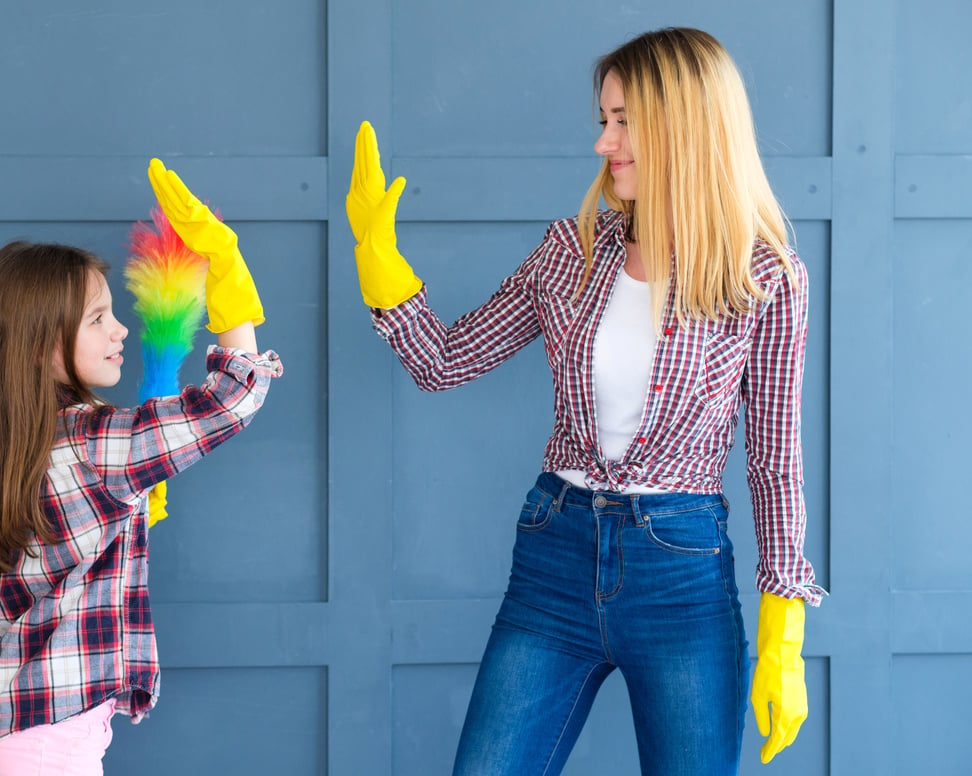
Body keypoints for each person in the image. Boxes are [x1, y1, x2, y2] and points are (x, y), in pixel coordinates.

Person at [346, 27, 823, 775]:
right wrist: (380, 265)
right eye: (603, 121)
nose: (605, 143)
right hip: (554, 557)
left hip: (681, 577)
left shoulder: (764, 276)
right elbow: (444, 361)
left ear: (685, 124)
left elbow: (774, 460)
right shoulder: (570, 249)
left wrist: (785, 628)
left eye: (623, 121)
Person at [0, 159, 281, 776]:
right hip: (50, 739)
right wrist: (228, 274)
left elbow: (71, 567)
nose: (119, 329)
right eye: (98, 317)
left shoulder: (20, 444)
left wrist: (131, 512)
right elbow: (234, 396)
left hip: (26, 726)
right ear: (43, 344)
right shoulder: (88, 442)